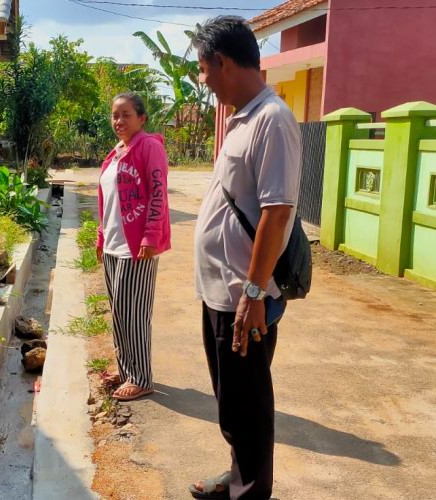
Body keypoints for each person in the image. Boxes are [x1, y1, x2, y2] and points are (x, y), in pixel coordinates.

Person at [190, 17, 301, 500]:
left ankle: (250, 491)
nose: (202, 79)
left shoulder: (273, 120)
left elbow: (277, 215)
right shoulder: (243, 118)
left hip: (244, 294)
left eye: (203, 68)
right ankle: (238, 476)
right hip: (223, 290)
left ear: (224, 62)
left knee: (248, 401)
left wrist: (254, 293)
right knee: (231, 399)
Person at [96, 92, 171, 401]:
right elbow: (107, 201)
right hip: (114, 245)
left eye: (126, 115)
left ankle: (141, 377)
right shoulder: (116, 152)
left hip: (137, 246)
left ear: (142, 118)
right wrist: (102, 237)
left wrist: (151, 236)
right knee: (119, 313)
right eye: (115, 115)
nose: (119, 121)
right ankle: (127, 369)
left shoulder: (149, 147)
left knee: (134, 314)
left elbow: (158, 193)